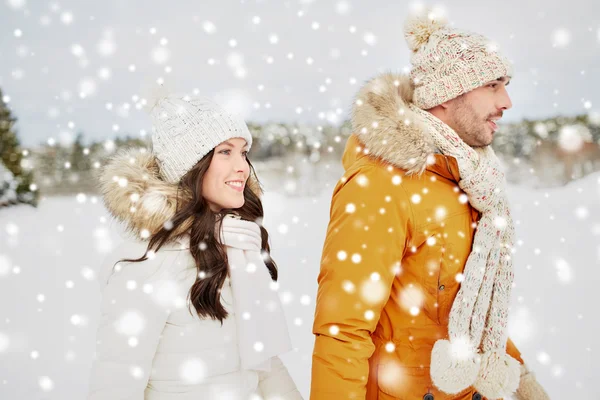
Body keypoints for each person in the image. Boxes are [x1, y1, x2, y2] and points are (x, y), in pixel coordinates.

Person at [310, 8, 550, 400]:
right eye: (493, 85)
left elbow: (470, 309)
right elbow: (343, 330)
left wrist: (521, 380)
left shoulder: (469, 180)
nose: (507, 101)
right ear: (446, 95)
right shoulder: (380, 185)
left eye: (506, 84)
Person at [88, 91, 303, 400]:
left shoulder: (236, 248)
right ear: (191, 167)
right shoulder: (147, 266)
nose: (242, 166)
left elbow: (261, 363)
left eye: (244, 153)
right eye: (225, 152)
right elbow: (116, 384)